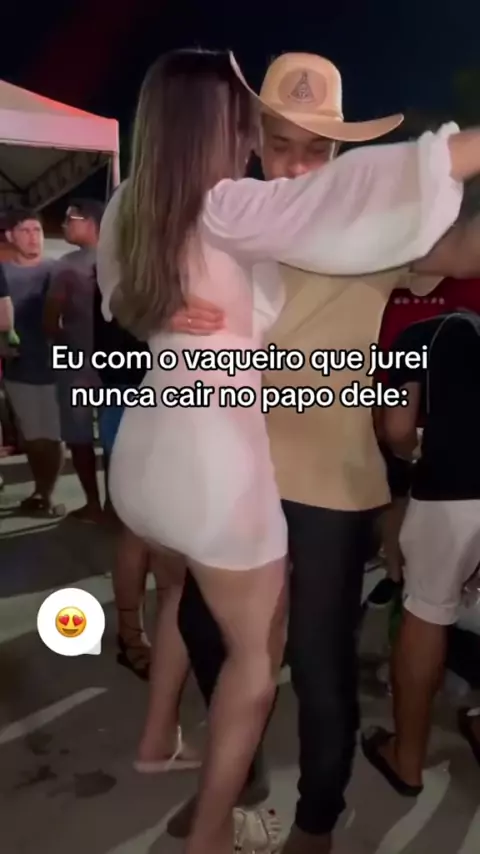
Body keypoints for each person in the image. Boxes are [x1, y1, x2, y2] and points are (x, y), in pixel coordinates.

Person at [97, 47, 477, 854]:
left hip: (329, 479)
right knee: (206, 629)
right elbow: (126, 282)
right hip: (233, 471)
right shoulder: (227, 210)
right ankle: (234, 780)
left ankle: (315, 823)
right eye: (280, 144)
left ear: (338, 150)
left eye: (318, 148)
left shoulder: (373, 225)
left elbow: (459, 245)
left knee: (316, 662)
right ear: (252, 141)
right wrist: (149, 307)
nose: (299, 164)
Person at [362, 311, 480, 797]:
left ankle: (406, 760)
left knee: (427, 612)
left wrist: (413, 453)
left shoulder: (421, 333)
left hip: (453, 490)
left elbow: (396, 428)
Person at [93, 278, 200, 770]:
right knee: (141, 530)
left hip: (154, 398)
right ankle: (132, 636)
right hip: (138, 397)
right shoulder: (133, 268)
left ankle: (139, 635)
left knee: (152, 532)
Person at [44, 199, 105, 523]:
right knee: (115, 437)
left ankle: (93, 504)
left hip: (75, 363)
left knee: (79, 436)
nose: (65, 224)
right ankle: (117, 508)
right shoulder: (124, 260)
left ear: (91, 222)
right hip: (120, 364)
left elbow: (50, 319)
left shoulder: (66, 266)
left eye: (71, 219)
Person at [2, 210, 64, 516]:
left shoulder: (57, 271)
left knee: (51, 436)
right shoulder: (3, 274)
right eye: (25, 230)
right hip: (18, 371)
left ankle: (46, 494)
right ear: (10, 236)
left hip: (57, 371)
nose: (33, 237)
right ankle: (40, 492)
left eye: (37, 230)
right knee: (33, 437)